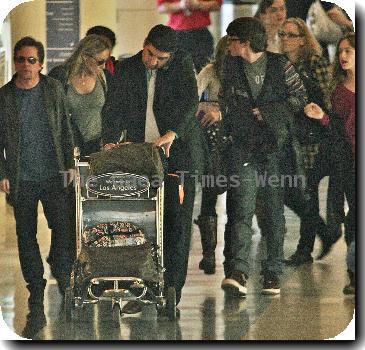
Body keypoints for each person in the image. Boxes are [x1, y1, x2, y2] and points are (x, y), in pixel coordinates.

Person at [102, 24, 206, 313]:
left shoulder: (182, 65)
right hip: (141, 156)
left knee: (176, 224)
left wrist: (173, 133)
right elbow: (112, 109)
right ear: (144, 44)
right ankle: (140, 288)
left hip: (177, 156)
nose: (154, 62)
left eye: (161, 59)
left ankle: (171, 289)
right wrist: (110, 141)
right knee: (140, 224)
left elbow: (189, 105)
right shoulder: (126, 69)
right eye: (150, 55)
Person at [219, 17, 307, 297]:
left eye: (232, 39)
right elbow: (225, 99)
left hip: (274, 148)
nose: (228, 44)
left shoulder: (280, 65)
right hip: (242, 146)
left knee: (272, 213)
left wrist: (268, 111)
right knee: (240, 209)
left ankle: (272, 272)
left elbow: (300, 97)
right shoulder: (230, 66)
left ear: (244, 42)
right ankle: (238, 271)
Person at [0, 37, 74, 338]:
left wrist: (70, 165)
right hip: (22, 178)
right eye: (20, 59)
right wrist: (2, 172)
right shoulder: (4, 97)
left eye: (31, 60)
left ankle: (59, 265)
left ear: (41, 63)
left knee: (62, 226)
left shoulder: (53, 90)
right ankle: (35, 287)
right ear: (15, 62)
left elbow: (65, 130)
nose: (25, 65)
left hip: (53, 174)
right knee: (25, 235)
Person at [273, 17, 333, 265]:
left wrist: (318, 113)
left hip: (311, 136)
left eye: (291, 35)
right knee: (290, 190)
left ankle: (305, 249)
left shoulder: (314, 63)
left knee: (305, 191)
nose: (285, 39)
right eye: (282, 34)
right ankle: (325, 231)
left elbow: (327, 97)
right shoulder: (279, 64)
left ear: (302, 39)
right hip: (288, 136)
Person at [304, 32, 355, 266]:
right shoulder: (338, 88)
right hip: (346, 157)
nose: (342, 56)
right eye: (341, 51)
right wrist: (322, 116)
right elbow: (337, 126)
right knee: (353, 215)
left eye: (349, 51)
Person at [194, 35, 229, 274]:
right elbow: (191, 97)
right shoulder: (211, 71)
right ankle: (208, 253)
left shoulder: (247, 72)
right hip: (213, 140)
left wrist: (220, 111)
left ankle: (232, 257)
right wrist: (203, 106)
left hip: (235, 138)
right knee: (209, 194)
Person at [49, 34, 111, 156]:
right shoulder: (60, 76)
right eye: (100, 61)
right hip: (68, 147)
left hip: (98, 147)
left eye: (106, 61)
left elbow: (111, 112)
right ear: (84, 56)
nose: (103, 66)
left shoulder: (103, 78)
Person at [157, 0, 222, 72]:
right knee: (177, 72)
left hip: (201, 34)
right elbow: (161, 7)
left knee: (206, 71)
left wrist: (198, 4)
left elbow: (217, 5)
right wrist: (180, 5)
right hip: (178, 35)